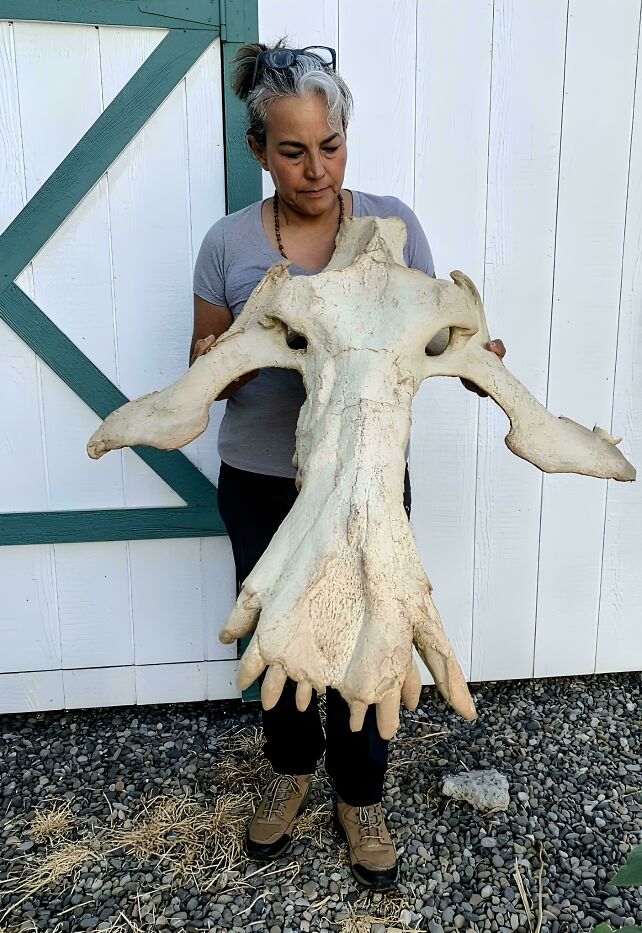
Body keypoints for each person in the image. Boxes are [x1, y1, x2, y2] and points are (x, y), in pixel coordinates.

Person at [191, 40, 505, 891]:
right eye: (292, 151)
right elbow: (204, 363)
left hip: (367, 474)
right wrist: (242, 349)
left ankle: (360, 793)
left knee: (373, 620)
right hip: (263, 478)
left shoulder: (393, 228)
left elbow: (437, 334)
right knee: (285, 627)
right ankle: (292, 770)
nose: (316, 167)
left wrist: (473, 357)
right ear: (259, 149)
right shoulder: (228, 244)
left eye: (330, 146)